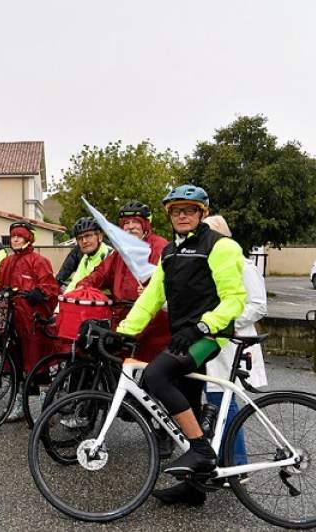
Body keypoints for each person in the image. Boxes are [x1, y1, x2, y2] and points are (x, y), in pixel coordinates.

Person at [116, 184, 246, 507]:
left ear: (201, 213)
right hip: (183, 336)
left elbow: (235, 299)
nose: (182, 216)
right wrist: (123, 331)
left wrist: (205, 324)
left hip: (208, 336)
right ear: (169, 216)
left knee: (156, 376)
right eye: (176, 211)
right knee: (186, 401)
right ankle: (194, 489)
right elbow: (152, 297)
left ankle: (202, 451)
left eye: (189, 210)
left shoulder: (221, 246)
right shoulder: (170, 253)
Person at [203, 214, 268, 468]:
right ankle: (220, 458)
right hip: (211, 341)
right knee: (215, 401)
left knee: (224, 400)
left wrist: (223, 323)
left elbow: (258, 306)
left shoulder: (243, 264)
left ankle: (236, 463)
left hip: (231, 342)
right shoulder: (210, 265)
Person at [0, 221, 59, 421]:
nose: (15, 239)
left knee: (38, 365)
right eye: (13, 236)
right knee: (14, 364)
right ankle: (18, 404)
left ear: (28, 239)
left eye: (20, 236)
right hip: (11, 319)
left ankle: (46, 410)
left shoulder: (39, 261)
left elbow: (51, 286)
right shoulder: (7, 262)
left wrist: (39, 292)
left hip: (32, 321)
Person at [77, 201, 170, 362]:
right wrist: (82, 288)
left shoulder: (160, 247)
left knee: (146, 368)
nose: (130, 227)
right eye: (126, 223)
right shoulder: (120, 252)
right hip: (122, 317)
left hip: (153, 323)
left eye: (136, 222)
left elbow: (163, 282)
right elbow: (100, 273)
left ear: (146, 225)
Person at [64, 217, 110, 292]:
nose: (84, 241)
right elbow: (74, 284)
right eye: (79, 238)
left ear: (100, 237)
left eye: (88, 236)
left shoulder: (109, 256)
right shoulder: (86, 258)